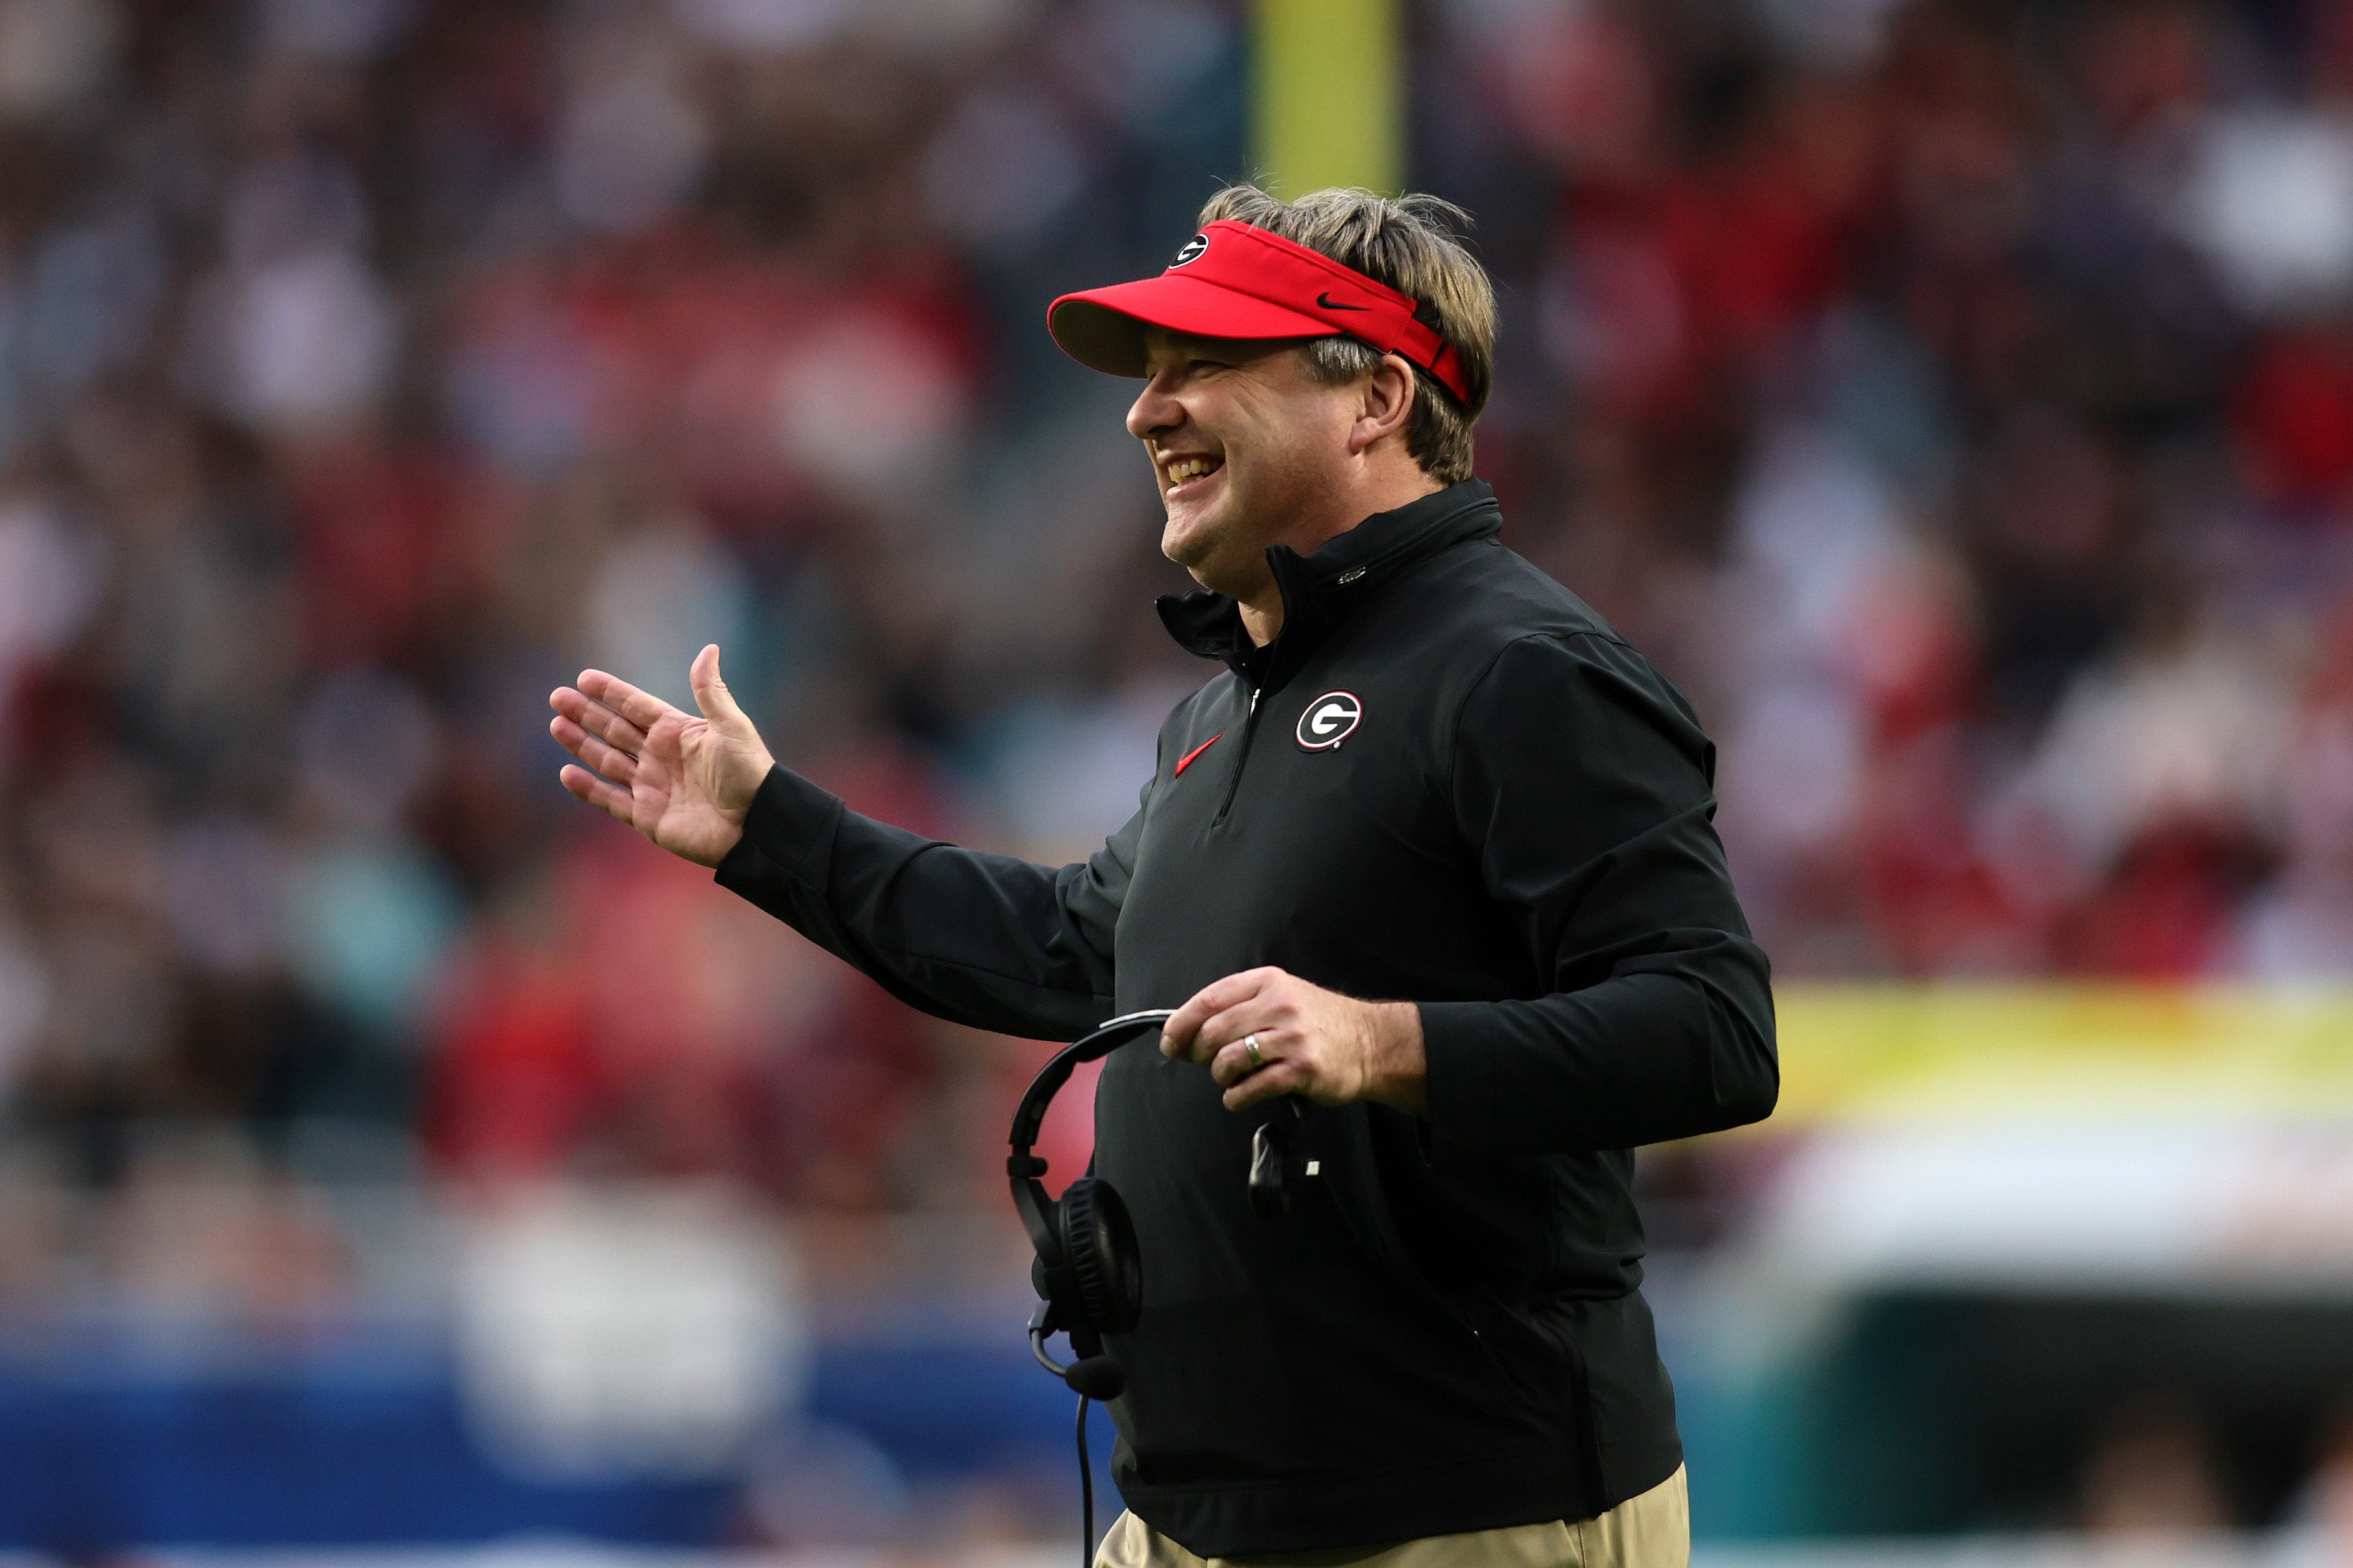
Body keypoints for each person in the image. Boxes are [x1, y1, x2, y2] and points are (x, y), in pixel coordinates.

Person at [547, 185, 1776, 1567]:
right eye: (1151, 376)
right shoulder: (1223, 711)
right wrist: (772, 831)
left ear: (1373, 396)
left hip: (1461, 1519)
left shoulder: (1521, 671)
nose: (1147, 411)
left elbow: (1714, 1034)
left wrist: (1385, 1043)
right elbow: (1076, 949)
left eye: (1206, 366)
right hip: (1195, 1523)